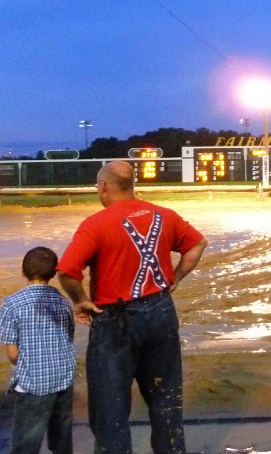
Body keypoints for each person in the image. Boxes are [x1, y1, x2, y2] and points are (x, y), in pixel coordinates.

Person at [57, 160, 207, 454]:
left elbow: (67, 272)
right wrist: (174, 279)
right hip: (161, 312)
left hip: (116, 321)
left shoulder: (96, 224)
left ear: (103, 187)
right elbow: (198, 244)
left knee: (110, 408)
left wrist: (81, 301)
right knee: (166, 400)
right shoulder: (165, 215)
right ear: (132, 186)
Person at [0, 246, 76, 454]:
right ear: (53, 273)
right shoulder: (63, 301)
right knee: (61, 440)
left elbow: (12, 354)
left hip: (33, 384)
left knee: (26, 442)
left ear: (23, 271)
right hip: (63, 377)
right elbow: (68, 337)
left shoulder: (11, 304)